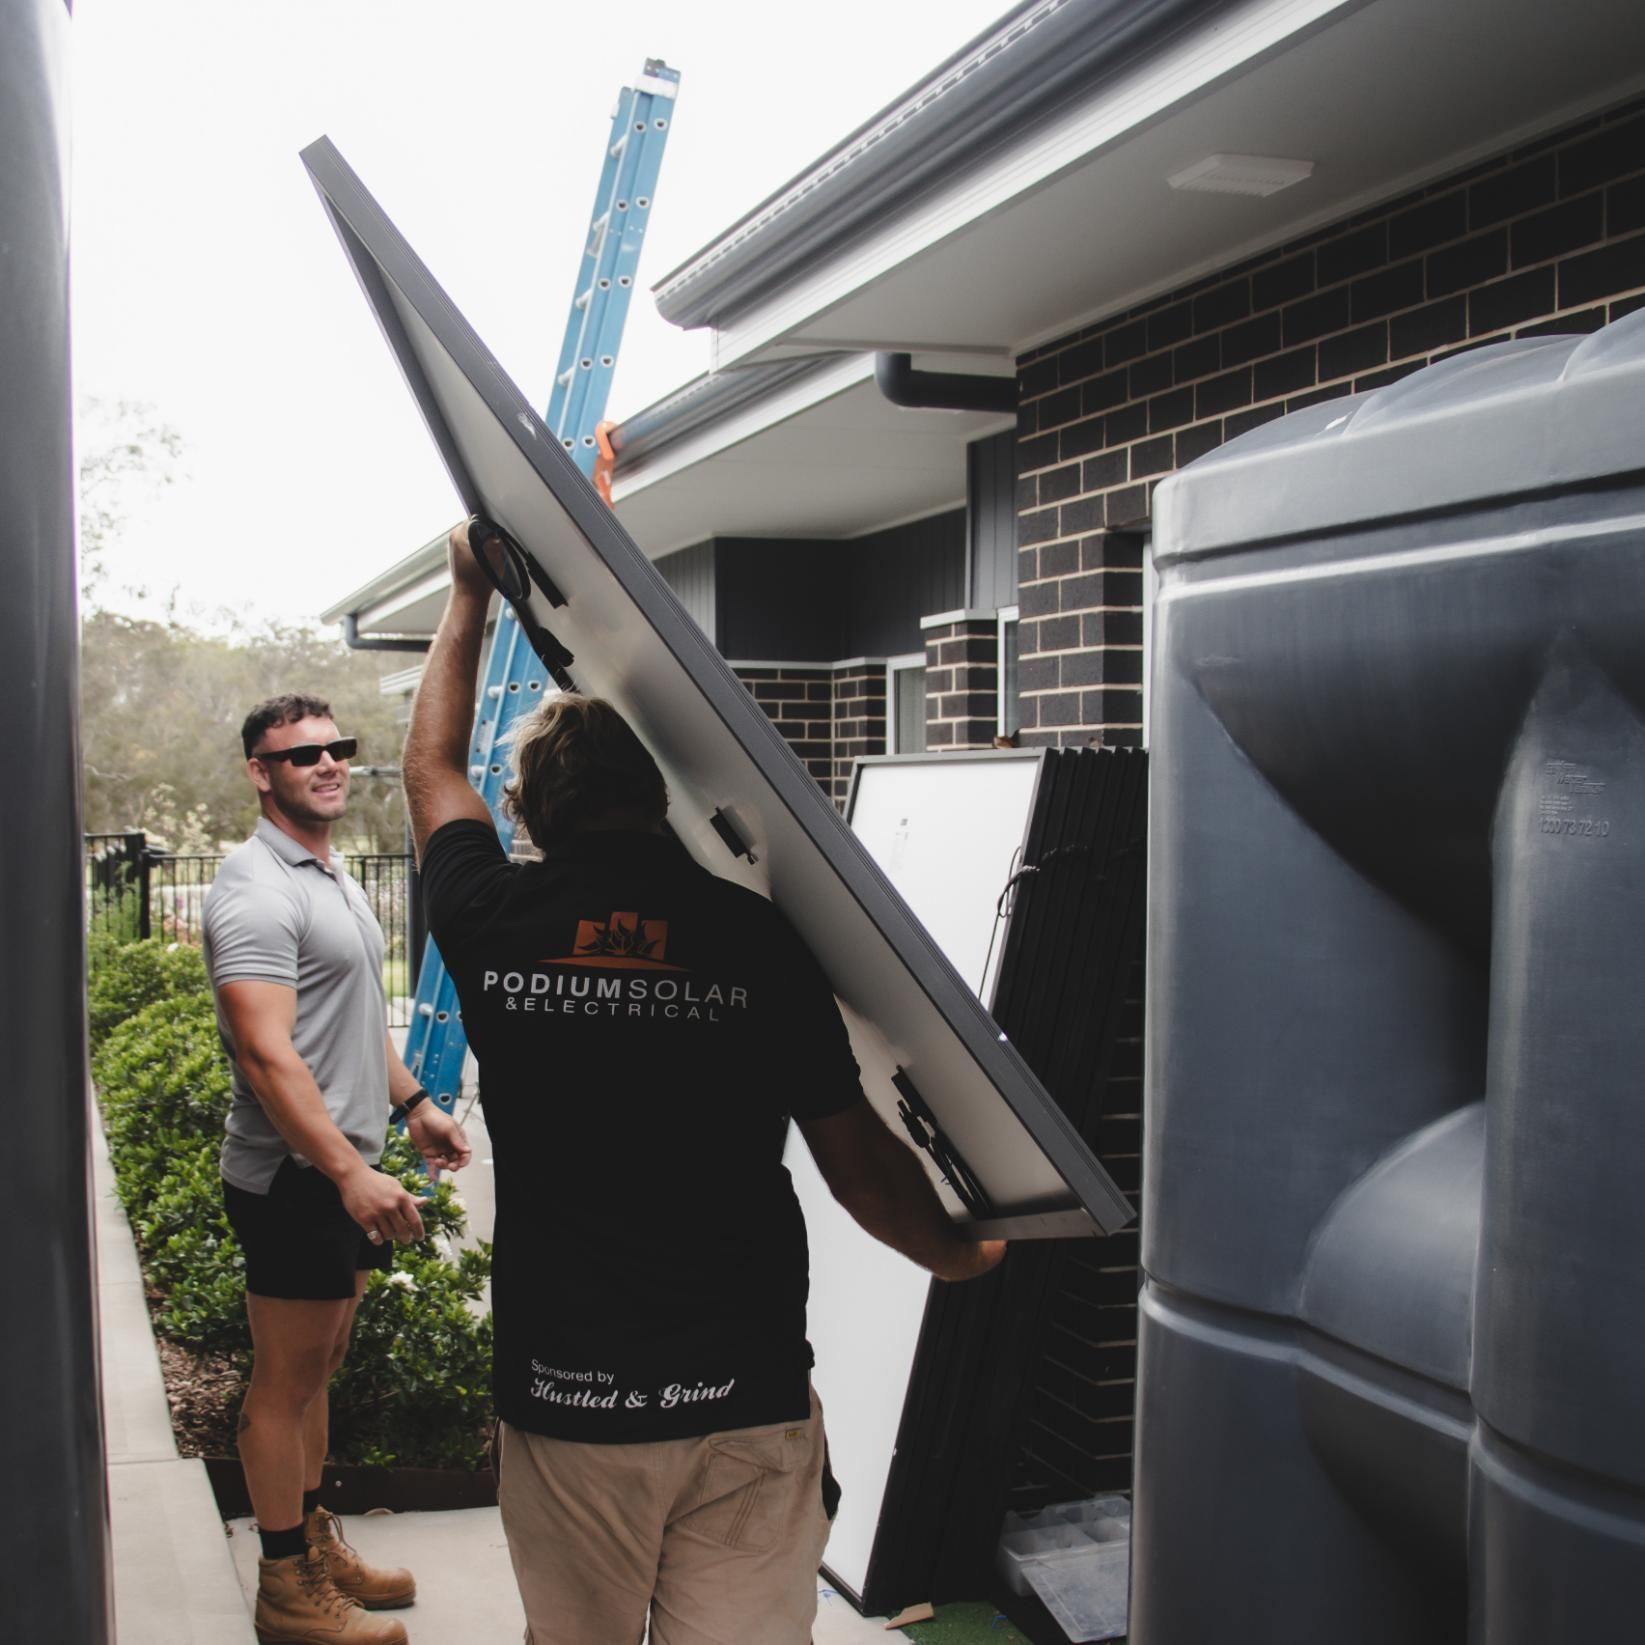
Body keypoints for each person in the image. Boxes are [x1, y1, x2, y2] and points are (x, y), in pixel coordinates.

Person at [400, 521, 1005, 1645]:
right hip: (743, 1397)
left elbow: (430, 771)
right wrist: (957, 1250)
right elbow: (858, 1156)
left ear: (530, 812)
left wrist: (466, 595)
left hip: (569, 1398)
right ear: (658, 801)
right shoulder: (755, 938)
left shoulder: (491, 917)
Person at [203, 693, 471, 1645]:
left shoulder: (331, 875)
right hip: (294, 1176)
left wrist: (413, 1105)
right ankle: (285, 1584)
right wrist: (345, 1174)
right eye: (300, 753)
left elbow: (350, 1022)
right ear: (260, 772)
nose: (326, 764)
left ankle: (310, 1536)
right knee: (284, 1379)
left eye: (335, 748)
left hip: (343, 1163)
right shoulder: (254, 889)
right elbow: (268, 1053)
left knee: (321, 1366)